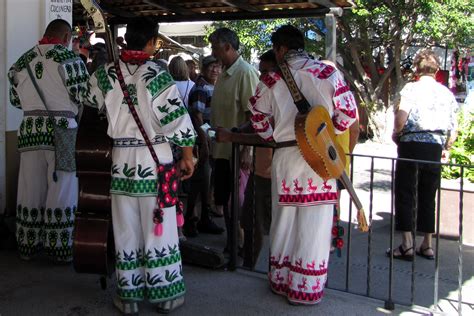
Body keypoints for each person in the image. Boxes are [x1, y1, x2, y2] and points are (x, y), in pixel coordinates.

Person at [83, 18, 196, 314]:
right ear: (152, 42)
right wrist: (187, 154)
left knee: (126, 229)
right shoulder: (155, 75)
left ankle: (129, 298)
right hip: (155, 159)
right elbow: (178, 121)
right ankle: (165, 295)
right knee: (159, 228)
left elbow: (85, 96)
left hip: (121, 161)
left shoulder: (107, 73)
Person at [248, 25, 357, 305]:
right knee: (315, 221)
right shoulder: (327, 73)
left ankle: (281, 282)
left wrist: (272, 137)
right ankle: (305, 290)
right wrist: (325, 133)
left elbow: (257, 116)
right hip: (319, 157)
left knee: (284, 220)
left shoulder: (271, 80)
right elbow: (349, 114)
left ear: (280, 49)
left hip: (285, 157)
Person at [8, 19, 89, 263]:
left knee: (29, 188)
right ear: (66, 37)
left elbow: (15, 101)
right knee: (62, 188)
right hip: (63, 131)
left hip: (31, 130)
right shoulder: (71, 60)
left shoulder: (21, 62)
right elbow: (84, 94)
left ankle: (28, 246)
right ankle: (60, 249)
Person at [387, 49, 458, 261]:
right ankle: (427, 244)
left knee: (406, 193)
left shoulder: (411, 89)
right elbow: (453, 131)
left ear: (417, 69)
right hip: (434, 147)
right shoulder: (446, 93)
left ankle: (407, 244)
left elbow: (400, 120)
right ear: (437, 70)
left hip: (411, 145)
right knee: (429, 195)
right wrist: (445, 145)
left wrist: (396, 133)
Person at [215, 50, 276, 267]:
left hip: (275, 172)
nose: (262, 78)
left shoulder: (282, 97)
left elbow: (270, 136)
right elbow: (254, 121)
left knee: (261, 223)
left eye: (266, 72)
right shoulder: (265, 93)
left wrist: (235, 138)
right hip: (260, 169)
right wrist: (237, 131)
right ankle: (248, 264)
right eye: (262, 73)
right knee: (250, 220)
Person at [208, 27, 259, 250]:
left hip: (236, 152)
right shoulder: (225, 72)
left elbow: (253, 115)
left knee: (236, 202)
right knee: (225, 200)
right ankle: (233, 242)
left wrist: (247, 150)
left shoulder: (245, 73)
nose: (212, 51)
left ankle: (240, 245)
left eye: (215, 47)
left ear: (227, 47)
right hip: (221, 150)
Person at [184, 55, 224, 237]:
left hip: (211, 138)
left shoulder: (215, 86)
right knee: (201, 181)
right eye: (211, 67)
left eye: (218, 66)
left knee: (206, 182)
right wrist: (206, 141)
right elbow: (197, 117)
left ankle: (200, 218)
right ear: (204, 68)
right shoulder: (200, 88)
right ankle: (193, 220)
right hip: (202, 141)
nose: (215, 70)